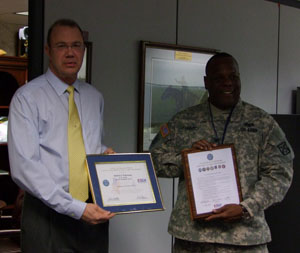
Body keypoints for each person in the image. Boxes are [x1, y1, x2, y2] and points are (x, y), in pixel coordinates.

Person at [150, 52, 294, 252]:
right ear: (206, 82)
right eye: (220, 78)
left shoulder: (262, 123)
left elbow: (281, 173)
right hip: (193, 238)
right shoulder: (183, 121)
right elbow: (153, 160)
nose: (228, 83)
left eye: (233, 77)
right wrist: (187, 159)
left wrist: (247, 207)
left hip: (244, 239)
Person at [8, 19, 115, 252]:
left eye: (76, 46)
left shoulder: (93, 97)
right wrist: (76, 208)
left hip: (92, 211)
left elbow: (87, 146)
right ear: (48, 50)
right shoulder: (27, 98)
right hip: (46, 213)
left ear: (83, 50)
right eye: (61, 46)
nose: (70, 53)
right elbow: (25, 167)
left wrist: (104, 154)